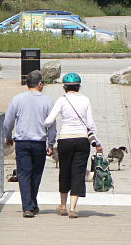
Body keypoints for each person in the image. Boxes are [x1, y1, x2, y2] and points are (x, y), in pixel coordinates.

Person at [45, 72, 102, 219]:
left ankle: (62, 206)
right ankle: (72, 208)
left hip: (65, 140)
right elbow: (90, 124)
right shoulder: (85, 100)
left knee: (64, 172)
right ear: (78, 87)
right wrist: (97, 143)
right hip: (82, 140)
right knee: (78, 173)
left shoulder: (62, 100)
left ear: (65, 87)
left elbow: (49, 121)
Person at [3, 70, 56, 218]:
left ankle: (28, 206)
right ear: (40, 84)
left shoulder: (18, 99)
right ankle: (32, 203)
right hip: (39, 142)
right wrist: (51, 144)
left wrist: (8, 136)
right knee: (36, 174)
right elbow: (52, 125)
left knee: (24, 174)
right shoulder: (47, 100)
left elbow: (8, 122)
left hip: (22, 142)